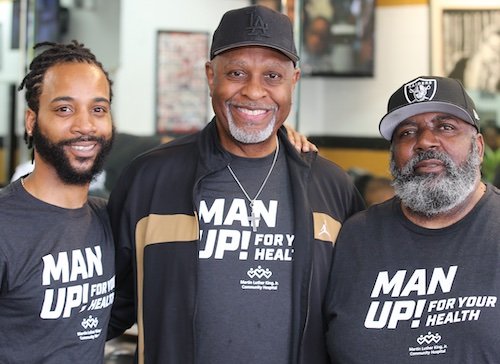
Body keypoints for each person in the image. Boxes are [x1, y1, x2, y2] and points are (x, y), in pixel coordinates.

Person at [107, 5, 364, 364]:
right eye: (237, 73)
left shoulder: (331, 187)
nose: (254, 92)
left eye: (273, 76)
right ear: (211, 76)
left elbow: (356, 314)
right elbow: (104, 307)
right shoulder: (150, 179)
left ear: (294, 81)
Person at [325, 76, 500, 363]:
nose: (425, 141)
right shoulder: (354, 237)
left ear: (478, 148)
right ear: (393, 154)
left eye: (445, 127)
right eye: (407, 132)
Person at [0, 41, 116, 363]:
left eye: (98, 109)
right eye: (64, 108)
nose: (85, 125)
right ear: (31, 121)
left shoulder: (110, 218)